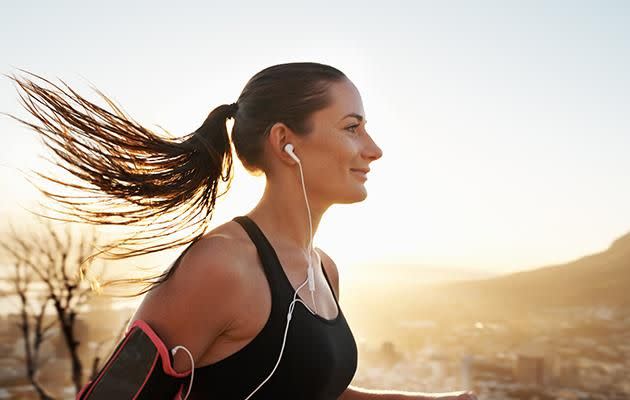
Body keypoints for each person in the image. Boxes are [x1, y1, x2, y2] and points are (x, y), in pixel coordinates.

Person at [11, 62, 477, 400]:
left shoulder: (325, 270)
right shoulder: (221, 265)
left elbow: (305, 388)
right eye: (352, 127)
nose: (373, 149)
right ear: (284, 142)